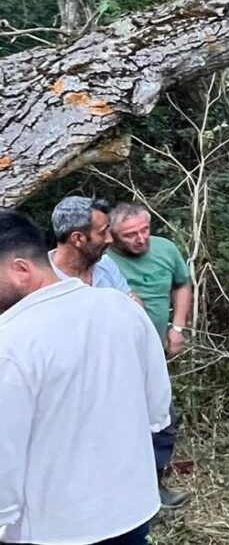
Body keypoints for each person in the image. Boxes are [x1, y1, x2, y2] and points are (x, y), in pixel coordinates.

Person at [0, 211, 171, 545]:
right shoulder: (122, 308)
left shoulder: (11, 341)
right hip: (131, 509)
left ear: (21, 269)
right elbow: (157, 409)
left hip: (54, 527)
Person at [107, 202, 193, 509]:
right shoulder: (103, 261)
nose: (141, 238)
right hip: (114, 359)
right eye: (130, 235)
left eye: (145, 230)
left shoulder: (166, 249)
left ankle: (154, 487)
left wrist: (177, 327)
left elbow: (182, 284)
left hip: (154, 353)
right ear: (112, 236)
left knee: (161, 417)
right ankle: (118, 490)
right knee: (121, 421)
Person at [48, 196, 140, 304]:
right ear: (77, 239)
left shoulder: (105, 264)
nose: (109, 239)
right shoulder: (44, 280)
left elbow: (132, 300)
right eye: (102, 233)